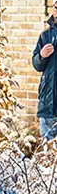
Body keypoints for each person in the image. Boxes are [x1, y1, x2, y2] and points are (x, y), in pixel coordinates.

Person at [35, 14, 57, 142]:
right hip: (48, 101)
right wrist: (42, 55)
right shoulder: (46, 35)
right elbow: (36, 64)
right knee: (48, 150)